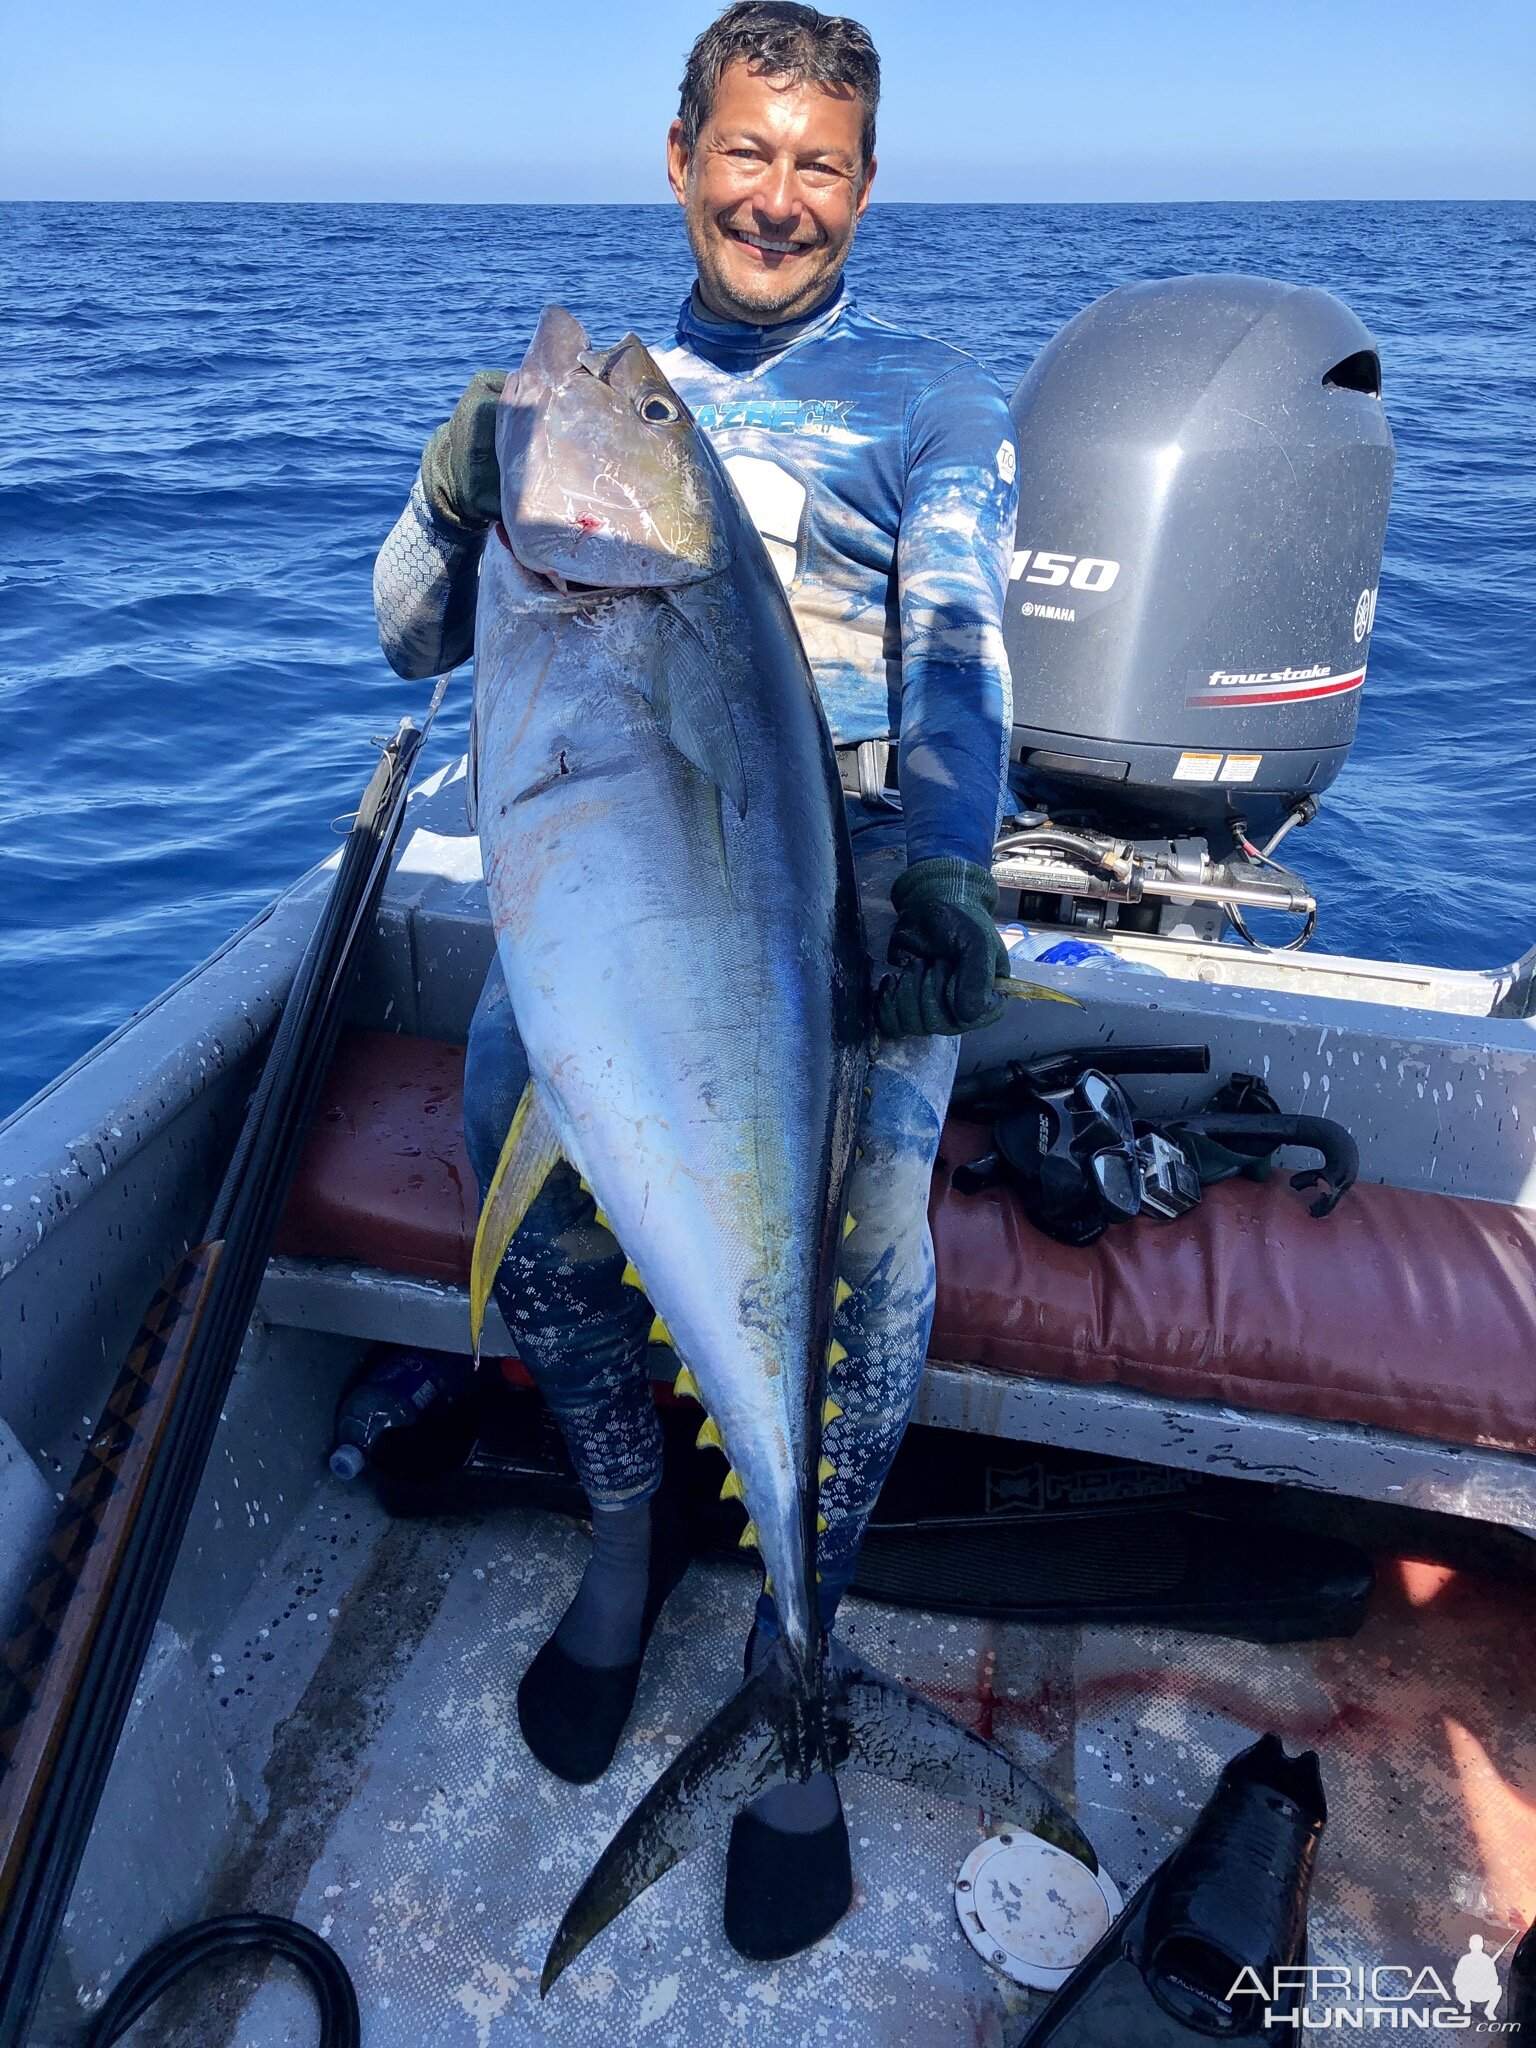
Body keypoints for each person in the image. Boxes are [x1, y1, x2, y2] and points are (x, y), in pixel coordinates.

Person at [372, 0, 1018, 1964]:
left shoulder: (930, 403)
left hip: (847, 909)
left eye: (822, 163)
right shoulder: (556, 414)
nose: (780, 198)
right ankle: (630, 1518)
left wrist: (954, 895)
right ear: (679, 157)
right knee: (509, 1122)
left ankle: (795, 1658)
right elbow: (408, 634)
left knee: (875, 1235)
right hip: (622, 911)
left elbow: (965, 673)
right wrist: (455, 486)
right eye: (748, 151)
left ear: (868, 187)